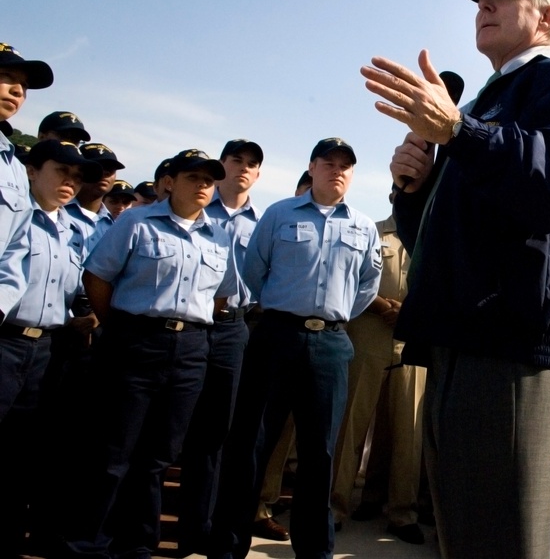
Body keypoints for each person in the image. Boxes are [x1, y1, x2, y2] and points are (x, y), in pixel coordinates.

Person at [361, 0, 550, 559]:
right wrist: (412, 192)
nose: (483, 7)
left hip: (508, 346)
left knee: (501, 541)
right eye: (479, 0)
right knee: (466, 537)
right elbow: (445, 240)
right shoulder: (491, 105)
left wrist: (461, 134)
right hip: (458, 342)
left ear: (546, 15)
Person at [211, 137, 381, 559]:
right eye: (329, 163)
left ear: (353, 174)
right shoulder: (278, 215)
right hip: (276, 338)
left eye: (346, 165)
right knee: (252, 445)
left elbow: (366, 288)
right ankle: (230, 546)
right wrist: (288, 310)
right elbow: (254, 272)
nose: (337, 170)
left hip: (330, 343)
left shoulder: (363, 226)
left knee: (320, 453)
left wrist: (329, 315)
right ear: (312, 167)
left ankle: (314, 552)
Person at [62, 149, 238, 559]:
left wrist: (185, 324)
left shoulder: (218, 235)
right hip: (135, 343)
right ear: (170, 182)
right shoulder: (137, 222)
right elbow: (98, 276)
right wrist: (123, 326)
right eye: (192, 177)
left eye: (208, 180)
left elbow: (221, 295)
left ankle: (137, 545)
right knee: (112, 453)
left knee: (157, 457)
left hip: (191, 350)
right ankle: (86, 545)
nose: (201, 186)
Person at [0, 141, 99, 555]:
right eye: (61, 172)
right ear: (31, 171)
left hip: (47, 351)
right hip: (6, 341)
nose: (70, 183)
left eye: (77, 178)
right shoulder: (16, 219)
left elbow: (75, 290)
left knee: (23, 454)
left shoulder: (72, 232)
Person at [176, 139, 264, 553]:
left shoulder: (265, 223)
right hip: (189, 328)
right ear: (222, 165)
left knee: (222, 433)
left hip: (234, 330)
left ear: (258, 174)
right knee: (181, 432)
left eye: (252, 163)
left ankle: (215, 530)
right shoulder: (194, 213)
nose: (243, 168)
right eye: (236, 160)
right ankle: (188, 526)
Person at [331, 186, 427, 545]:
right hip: (368, 334)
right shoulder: (369, 231)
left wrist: (411, 313)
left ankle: (402, 512)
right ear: (392, 197)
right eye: (403, 193)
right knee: (351, 424)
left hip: (412, 342)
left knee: (408, 432)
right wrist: (381, 306)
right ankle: (334, 506)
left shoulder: (433, 239)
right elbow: (349, 279)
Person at [0, 42, 53, 324]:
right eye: (6, 77)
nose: (18, 91)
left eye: (23, 85)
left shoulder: (13, 168)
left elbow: (15, 249)